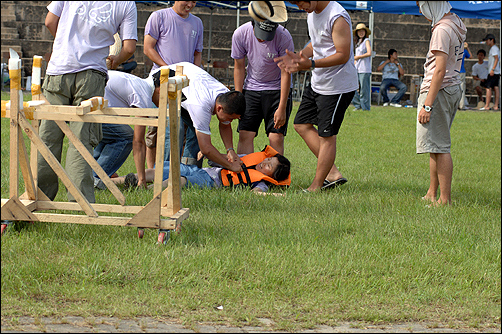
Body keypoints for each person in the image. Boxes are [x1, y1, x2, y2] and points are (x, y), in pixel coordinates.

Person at [38, 1, 137, 203]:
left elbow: (50, 21)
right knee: (81, 139)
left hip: (59, 69)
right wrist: (115, 61)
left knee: (48, 136)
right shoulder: (126, 3)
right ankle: (79, 202)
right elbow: (129, 47)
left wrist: (66, 44)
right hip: (92, 74)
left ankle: (39, 196)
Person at [275, 1, 358, 192]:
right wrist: (299, 56)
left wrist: (310, 64)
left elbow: (343, 55)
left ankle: (317, 185)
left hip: (337, 86)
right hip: (318, 82)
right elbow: (318, 40)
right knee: (301, 124)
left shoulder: (337, 16)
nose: (299, 6)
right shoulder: (311, 13)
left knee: (327, 135)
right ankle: (333, 173)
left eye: (301, 2)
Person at [131, 62, 246, 185]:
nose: (231, 121)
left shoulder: (225, 96)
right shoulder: (201, 106)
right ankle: (162, 173)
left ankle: (188, 169)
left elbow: (225, 124)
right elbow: (206, 149)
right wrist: (230, 166)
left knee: (198, 133)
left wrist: (230, 150)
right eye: (231, 118)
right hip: (163, 83)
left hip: (187, 88)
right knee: (176, 130)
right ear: (219, 109)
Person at [416, 1, 466, 206]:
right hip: (452, 87)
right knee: (434, 144)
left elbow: (439, 69)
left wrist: (427, 105)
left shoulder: (441, 30)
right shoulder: (455, 21)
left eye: (422, 5)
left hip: (439, 90)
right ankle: (432, 191)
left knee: (440, 146)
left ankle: (444, 200)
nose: (421, 10)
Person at [143, 1, 203, 167]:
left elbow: (198, 53)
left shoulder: (197, 22)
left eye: (194, 1)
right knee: (160, 129)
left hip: (186, 82)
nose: (190, 4)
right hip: (162, 81)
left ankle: (186, 168)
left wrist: (194, 74)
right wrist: (167, 68)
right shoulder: (159, 16)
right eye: (187, 1)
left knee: (191, 126)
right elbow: (148, 49)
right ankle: (158, 170)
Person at [112, 145, 291, 195]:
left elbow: (257, 193)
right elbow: (224, 158)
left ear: (272, 177)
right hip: (202, 170)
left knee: (179, 181)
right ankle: (112, 183)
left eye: (268, 166)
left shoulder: (260, 182)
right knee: (156, 171)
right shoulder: (248, 157)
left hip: (210, 182)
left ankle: (146, 193)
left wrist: (275, 195)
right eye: (267, 160)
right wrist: (208, 154)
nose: (264, 164)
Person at [231, 19, 295, 155]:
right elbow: (239, 67)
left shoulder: (284, 36)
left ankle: (274, 176)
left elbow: (286, 72)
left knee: (276, 136)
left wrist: (282, 107)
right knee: (245, 134)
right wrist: (239, 97)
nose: (262, 39)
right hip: (251, 88)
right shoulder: (240, 34)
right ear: (253, 24)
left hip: (277, 90)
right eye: (259, 34)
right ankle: (246, 173)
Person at [93, 70, 162, 190]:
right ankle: (94, 179)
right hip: (85, 108)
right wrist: (142, 179)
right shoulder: (143, 95)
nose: (165, 103)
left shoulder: (139, 84)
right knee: (126, 136)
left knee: (114, 133)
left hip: (84, 104)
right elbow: (138, 141)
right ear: (160, 90)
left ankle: (87, 174)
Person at [351, 22, 372, 111]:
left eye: (362, 31)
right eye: (359, 31)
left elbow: (369, 53)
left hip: (364, 69)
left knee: (364, 90)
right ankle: (358, 104)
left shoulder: (367, 41)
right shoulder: (358, 42)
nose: (361, 33)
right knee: (352, 88)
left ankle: (365, 108)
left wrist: (358, 57)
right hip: (357, 68)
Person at [480, 33, 500, 111]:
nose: (487, 42)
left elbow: (496, 58)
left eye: (487, 40)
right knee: (496, 87)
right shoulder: (495, 48)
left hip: (493, 71)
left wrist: (493, 69)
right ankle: (495, 105)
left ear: (491, 40)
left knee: (488, 88)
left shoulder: (494, 48)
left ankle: (487, 105)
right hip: (496, 71)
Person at [458, 41, 471, 109]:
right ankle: (461, 105)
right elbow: (470, 56)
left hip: (455, 71)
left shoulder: (456, 49)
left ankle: (456, 105)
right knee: (462, 89)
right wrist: (467, 48)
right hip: (462, 71)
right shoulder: (464, 51)